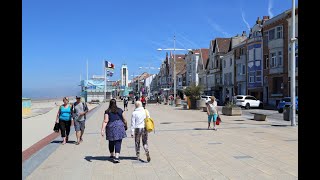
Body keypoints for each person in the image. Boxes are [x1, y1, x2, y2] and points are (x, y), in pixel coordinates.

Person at [101, 99, 127, 163]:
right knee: (118, 141)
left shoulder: (107, 111)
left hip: (111, 126)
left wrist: (102, 129)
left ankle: (112, 154)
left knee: (111, 141)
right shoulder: (120, 110)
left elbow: (106, 121)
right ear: (116, 103)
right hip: (119, 126)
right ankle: (117, 157)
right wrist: (126, 125)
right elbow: (124, 119)